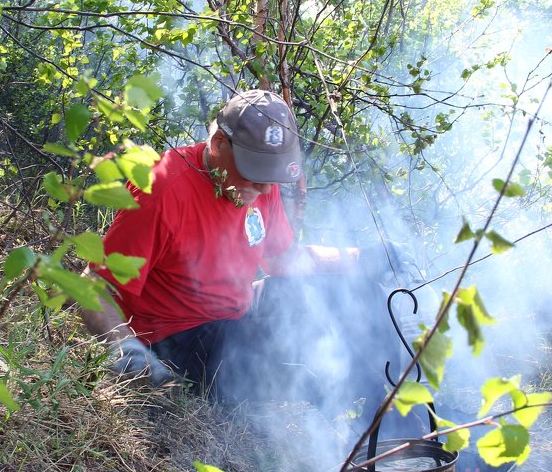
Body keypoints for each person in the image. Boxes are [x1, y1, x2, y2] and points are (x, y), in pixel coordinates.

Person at [80, 89, 368, 402]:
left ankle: (393, 437)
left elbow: (283, 260)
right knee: (277, 357)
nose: (265, 188)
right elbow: (93, 286)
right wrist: (130, 353)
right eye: (254, 172)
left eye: (271, 175)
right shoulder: (163, 188)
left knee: (336, 300)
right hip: (174, 336)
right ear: (218, 144)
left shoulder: (261, 184)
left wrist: (360, 259)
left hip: (233, 319)